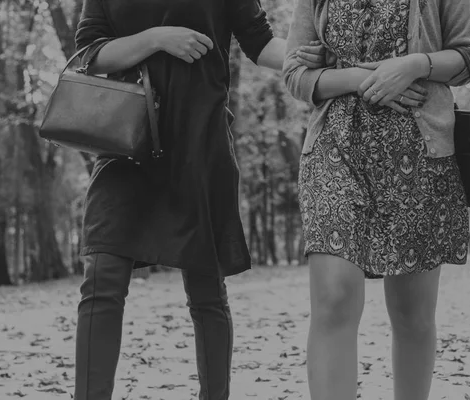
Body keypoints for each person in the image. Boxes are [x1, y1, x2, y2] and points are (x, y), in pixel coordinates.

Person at [73, 1, 325, 399]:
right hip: (125, 139)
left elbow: (260, 44)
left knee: (206, 288)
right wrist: (156, 39)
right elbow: (92, 53)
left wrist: (307, 57)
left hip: (200, 140)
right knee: (102, 275)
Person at [283, 0, 470, 399]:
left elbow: (469, 58)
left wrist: (413, 66)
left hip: (420, 153)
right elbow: (295, 74)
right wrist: (360, 78)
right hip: (335, 148)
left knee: (412, 314)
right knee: (333, 297)